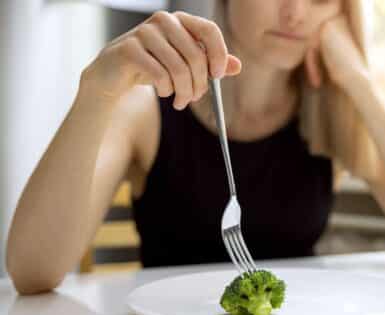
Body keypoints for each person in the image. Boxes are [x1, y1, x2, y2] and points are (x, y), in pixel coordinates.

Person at [6, 0, 385, 295]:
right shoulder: (146, 110)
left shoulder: (332, 116)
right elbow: (31, 271)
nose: (296, 13)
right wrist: (97, 91)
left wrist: (361, 83)